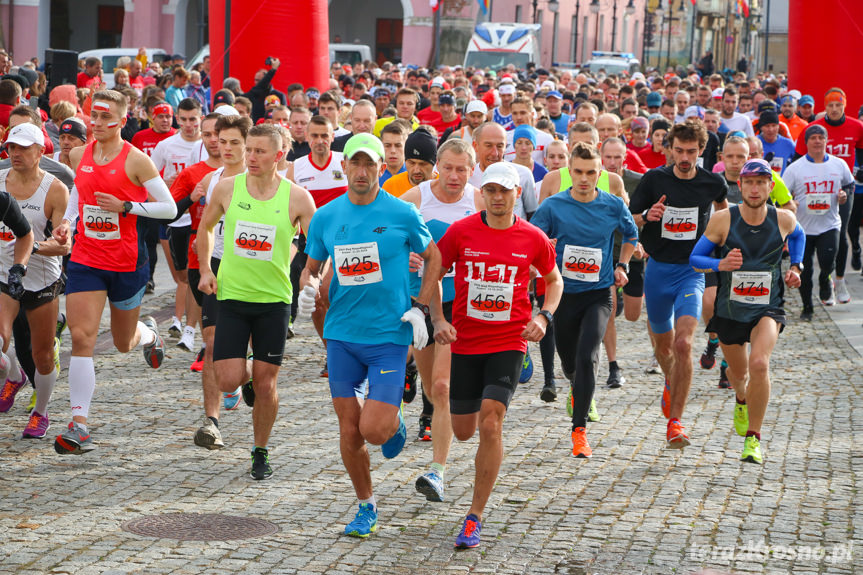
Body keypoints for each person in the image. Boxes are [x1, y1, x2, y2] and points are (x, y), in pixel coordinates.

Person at [298, 133, 441, 537]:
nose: (362, 173)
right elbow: (312, 266)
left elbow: (435, 257)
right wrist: (307, 289)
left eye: (370, 165)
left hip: (387, 337)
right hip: (342, 334)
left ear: (382, 167)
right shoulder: (326, 216)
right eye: (355, 164)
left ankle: (391, 420)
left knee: (373, 430)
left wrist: (421, 306)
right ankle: (367, 506)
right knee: (348, 429)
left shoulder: (401, 213)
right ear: (344, 167)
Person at [434, 161, 562, 549]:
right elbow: (433, 272)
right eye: (491, 190)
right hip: (466, 342)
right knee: (463, 430)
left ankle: (474, 517)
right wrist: (438, 317)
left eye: (505, 191)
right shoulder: (461, 232)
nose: (498, 197)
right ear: (483, 193)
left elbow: (554, 280)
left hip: (509, 340)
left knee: (491, 423)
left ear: (516, 194)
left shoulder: (533, 237)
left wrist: (544, 315)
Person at [52, 90, 177, 455]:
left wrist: (127, 206)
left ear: (122, 121)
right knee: (81, 337)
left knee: (123, 343)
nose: (99, 123)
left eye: (107, 118)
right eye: (95, 116)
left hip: (126, 262)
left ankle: (148, 334)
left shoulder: (137, 161)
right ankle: (79, 424)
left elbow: (168, 208)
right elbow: (80, 194)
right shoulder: (80, 153)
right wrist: (68, 224)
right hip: (87, 258)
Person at [196, 123, 316, 478]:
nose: (250, 157)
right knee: (229, 379)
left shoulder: (296, 197)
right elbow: (204, 227)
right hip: (231, 296)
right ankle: (244, 379)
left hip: (274, 302)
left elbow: (318, 243)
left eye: (260, 151)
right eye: (249, 149)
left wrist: (311, 273)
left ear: (279, 156)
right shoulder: (227, 189)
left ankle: (259, 451)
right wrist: (205, 269)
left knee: (266, 384)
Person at [690, 159, 804, 464]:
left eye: (761, 182)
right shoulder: (723, 219)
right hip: (729, 312)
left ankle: (753, 439)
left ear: (771, 186)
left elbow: (799, 236)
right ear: (740, 186)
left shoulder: (783, 218)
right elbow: (695, 257)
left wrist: (796, 266)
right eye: (749, 182)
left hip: (768, 308)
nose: (755, 188)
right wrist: (720, 264)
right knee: (738, 374)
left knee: (759, 364)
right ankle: (741, 396)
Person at [532, 142, 637, 458]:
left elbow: (631, 235)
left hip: (599, 293)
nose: (584, 178)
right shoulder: (553, 206)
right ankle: (577, 387)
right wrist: (545, 249)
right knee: (570, 363)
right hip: (563, 295)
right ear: (569, 171)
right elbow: (533, 240)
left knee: (588, 353)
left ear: (600, 173)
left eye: (591, 172)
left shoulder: (613, 205)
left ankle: (579, 432)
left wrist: (623, 264)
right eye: (577, 171)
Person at [629, 120, 728, 448]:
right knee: (664, 346)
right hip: (658, 271)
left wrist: (719, 245)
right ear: (669, 149)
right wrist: (648, 216)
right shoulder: (653, 179)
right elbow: (629, 218)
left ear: (701, 151)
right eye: (679, 151)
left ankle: (676, 423)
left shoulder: (712, 182)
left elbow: (724, 215)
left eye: (691, 151)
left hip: (691, 271)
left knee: (684, 344)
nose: (685, 157)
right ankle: (671, 381)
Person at [399, 138, 484, 503]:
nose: (454, 175)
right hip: (422, 303)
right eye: (447, 167)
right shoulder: (415, 200)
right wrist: (406, 259)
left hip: (461, 309)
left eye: (462, 169)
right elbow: (391, 244)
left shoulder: (479, 201)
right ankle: (408, 379)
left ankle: (438, 471)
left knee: (444, 388)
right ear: (437, 166)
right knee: (434, 389)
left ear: (471, 169)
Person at [0, 123, 66, 439]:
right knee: (3, 339)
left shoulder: (55, 189)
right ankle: (14, 375)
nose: (15, 153)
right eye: (12, 147)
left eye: (23, 148)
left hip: (41, 279)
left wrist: (30, 247)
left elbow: (65, 245)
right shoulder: (0, 183)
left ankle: (41, 412)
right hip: (3, 276)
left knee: (41, 355)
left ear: (41, 151)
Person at [191, 113, 253, 449]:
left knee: (249, 352)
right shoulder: (213, 179)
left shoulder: (261, 179)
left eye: (233, 142)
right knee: (212, 344)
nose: (223, 147)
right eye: (220, 140)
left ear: (247, 146)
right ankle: (212, 422)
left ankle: (247, 377)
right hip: (218, 265)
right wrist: (204, 269)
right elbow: (206, 228)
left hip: (255, 270)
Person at [793, 88, 863, 305]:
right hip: (816, 187)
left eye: (838, 105)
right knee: (815, 232)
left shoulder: (857, 127)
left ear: (844, 106)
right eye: (830, 105)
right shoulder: (815, 129)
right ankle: (827, 277)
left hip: (843, 187)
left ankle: (839, 281)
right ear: (825, 107)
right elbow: (797, 158)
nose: (834, 109)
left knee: (840, 235)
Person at [784, 124, 854, 319]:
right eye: (812, 138)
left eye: (820, 137)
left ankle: (826, 279)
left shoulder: (838, 164)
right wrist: (790, 202)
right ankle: (807, 307)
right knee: (803, 271)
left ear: (826, 141)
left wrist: (843, 196)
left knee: (827, 261)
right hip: (802, 229)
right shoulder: (795, 168)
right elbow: (781, 194)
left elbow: (848, 186)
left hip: (829, 224)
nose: (817, 141)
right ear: (806, 142)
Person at [151, 98, 204, 348]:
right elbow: (148, 178)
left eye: (193, 119)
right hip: (178, 217)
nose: (188, 125)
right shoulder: (166, 145)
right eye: (183, 120)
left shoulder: (210, 144)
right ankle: (182, 322)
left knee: (199, 272)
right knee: (183, 275)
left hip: (203, 218)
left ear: (200, 118)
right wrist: (167, 184)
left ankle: (188, 325)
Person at [468, 122, 537, 219]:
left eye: (500, 146)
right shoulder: (467, 177)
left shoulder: (523, 174)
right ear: (475, 146)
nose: (495, 153)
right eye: (488, 145)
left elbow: (532, 214)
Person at [382, 127, 437, 198]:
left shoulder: (444, 186)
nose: (416, 170)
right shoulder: (391, 186)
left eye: (422, 164)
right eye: (412, 163)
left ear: (435, 163)